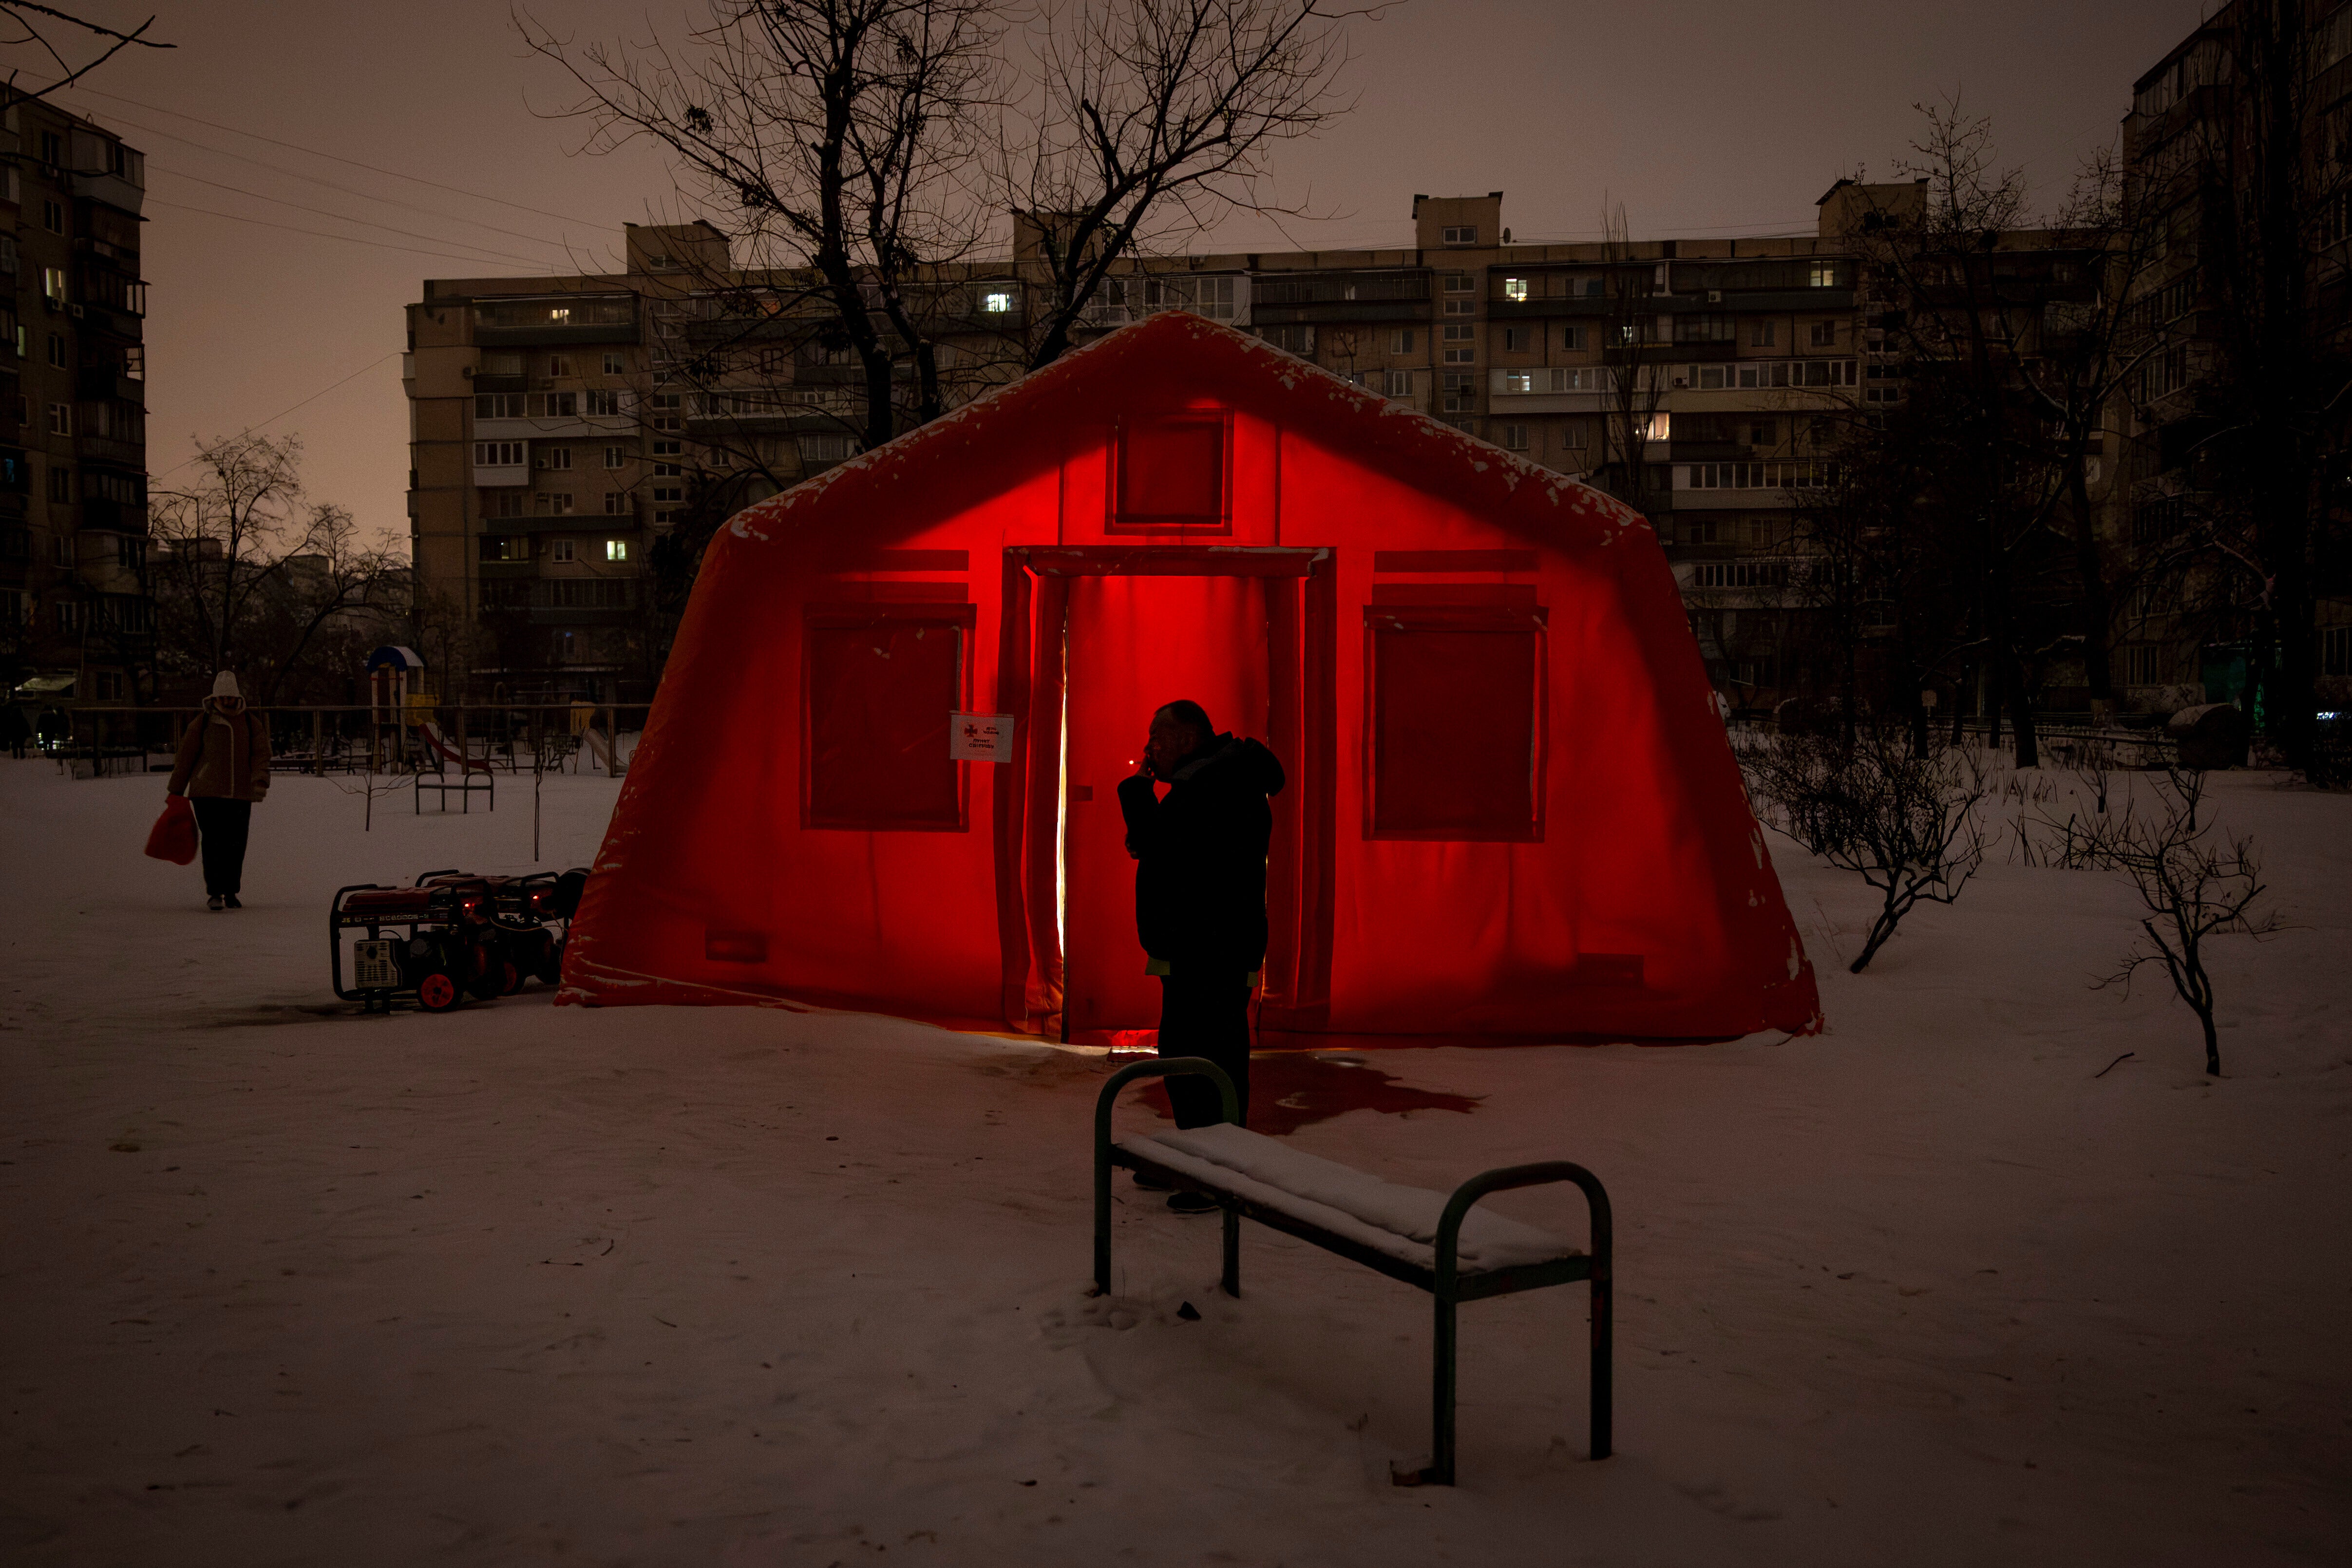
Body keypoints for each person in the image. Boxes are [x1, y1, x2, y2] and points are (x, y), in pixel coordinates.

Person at [1117, 699, 1285, 1211]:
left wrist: (1137, 798)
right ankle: (1196, 1156)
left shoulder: (1219, 784)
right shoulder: (1209, 780)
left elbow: (1166, 849)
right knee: (1187, 1054)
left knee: (1210, 1057)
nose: (1149, 751)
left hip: (1213, 946)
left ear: (1187, 740)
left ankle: (1219, 1172)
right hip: (1198, 944)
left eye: (1157, 740)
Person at [168, 671, 271, 910]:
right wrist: (176, 789)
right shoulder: (202, 722)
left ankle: (232, 891)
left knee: (236, 844)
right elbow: (186, 757)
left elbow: (261, 754)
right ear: (215, 697)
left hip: (240, 794)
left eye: (230, 697)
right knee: (214, 843)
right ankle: (215, 892)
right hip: (207, 793)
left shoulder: (250, 722)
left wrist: (259, 780)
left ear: (237, 697)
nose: (226, 701)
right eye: (222, 697)